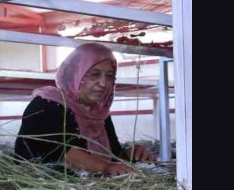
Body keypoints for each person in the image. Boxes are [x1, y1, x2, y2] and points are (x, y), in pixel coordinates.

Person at [14, 42, 155, 175]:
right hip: (43, 187)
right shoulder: (48, 104)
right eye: (94, 74)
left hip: (87, 189)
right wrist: (105, 167)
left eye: (110, 76)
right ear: (75, 73)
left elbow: (113, 154)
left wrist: (129, 155)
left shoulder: (99, 113)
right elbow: (64, 155)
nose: (103, 83)